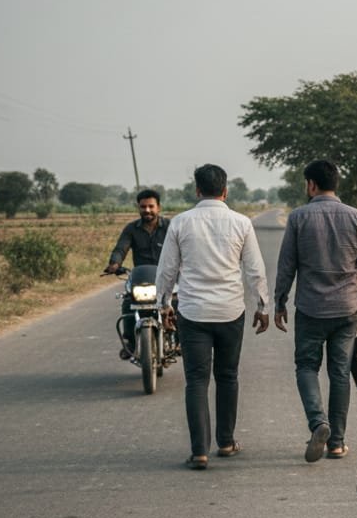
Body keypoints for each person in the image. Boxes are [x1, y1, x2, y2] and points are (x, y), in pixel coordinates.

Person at [156, 164, 270, 470]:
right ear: (225, 190)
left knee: (196, 380)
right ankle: (226, 441)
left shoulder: (180, 223)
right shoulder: (241, 223)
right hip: (230, 311)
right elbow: (255, 269)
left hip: (192, 312)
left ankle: (199, 452)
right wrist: (262, 307)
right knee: (227, 376)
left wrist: (163, 304)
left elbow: (167, 269)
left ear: (196, 190)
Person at [273, 159, 357, 462]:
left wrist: (280, 301)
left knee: (307, 367)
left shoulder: (298, 218)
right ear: (336, 183)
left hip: (309, 308)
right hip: (346, 309)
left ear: (311, 184)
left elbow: (287, 265)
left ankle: (318, 422)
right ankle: (336, 442)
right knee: (339, 373)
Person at [104, 188, 171, 356]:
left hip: (167, 276)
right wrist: (114, 263)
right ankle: (130, 342)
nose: (147, 210)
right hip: (141, 278)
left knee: (178, 302)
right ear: (138, 208)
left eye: (151, 206)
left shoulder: (170, 226)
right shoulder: (132, 229)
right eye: (143, 207)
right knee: (128, 302)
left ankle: (179, 339)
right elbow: (121, 247)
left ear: (158, 207)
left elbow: (182, 247)